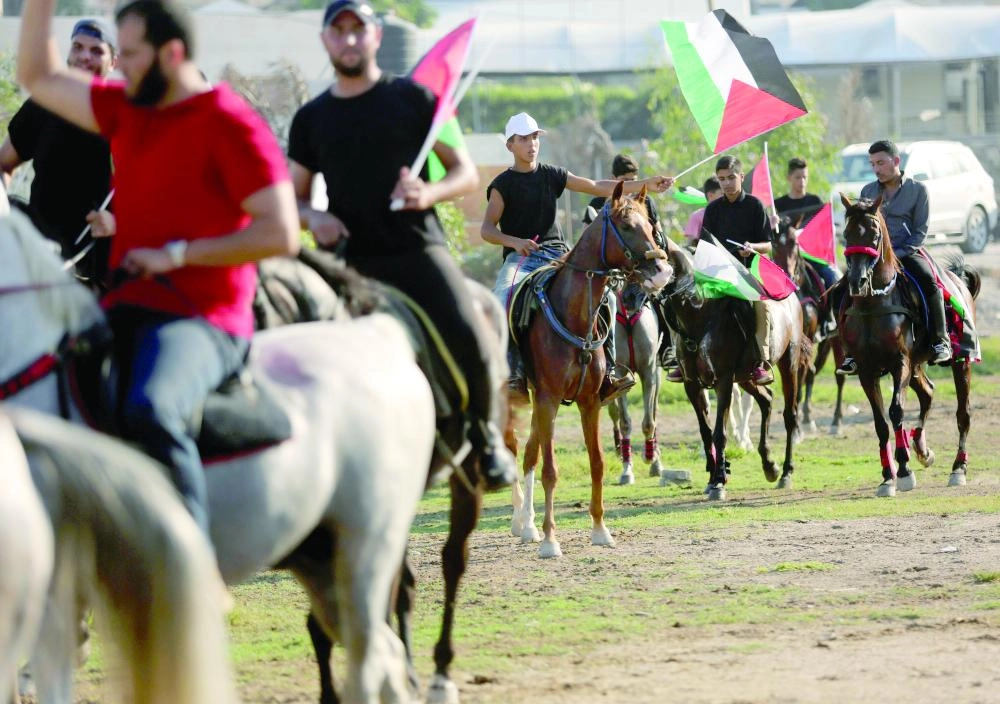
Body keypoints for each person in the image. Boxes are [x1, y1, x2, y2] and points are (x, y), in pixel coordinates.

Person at [16, 0, 301, 534]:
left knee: (150, 407)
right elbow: (36, 75)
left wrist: (179, 254)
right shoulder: (128, 108)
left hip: (204, 316)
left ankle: (191, 562)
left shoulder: (230, 122)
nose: (117, 67)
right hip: (122, 305)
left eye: (129, 55)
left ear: (171, 54)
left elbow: (280, 232)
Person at [287, 0, 515, 490]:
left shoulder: (412, 99)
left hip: (416, 250)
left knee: (471, 336)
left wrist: (427, 191)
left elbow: (465, 173)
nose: (349, 39)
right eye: (338, 30)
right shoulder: (311, 118)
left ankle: (486, 436)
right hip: (348, 262)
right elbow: (294, 197)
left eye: (358, 29)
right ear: (326, 40)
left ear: (374, 37)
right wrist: (314, 216)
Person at [481, 111, 673, 403]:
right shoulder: (501, 185)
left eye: (534, 137)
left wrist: (644, 184)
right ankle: (514, 372)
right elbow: (486, 229)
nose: (531, 144)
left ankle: (608, 373)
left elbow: (597, 187)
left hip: (558, 255)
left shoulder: (552, 174)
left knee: (607, 297)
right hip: (520, 260)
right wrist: (515, 242)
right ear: (510, 145)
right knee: (501, 298)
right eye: (523, 139)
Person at [1, 18, 117, 288]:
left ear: (114, 62)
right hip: (39, 258)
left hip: (103, 266)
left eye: (96, 51)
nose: (84, 57)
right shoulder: (45, 103)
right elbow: (3, 164)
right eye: (77, 47)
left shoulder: (125, 116)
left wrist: (117, 221)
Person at [837, 139, 951, 375]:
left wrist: (895, 256)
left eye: (880, 162)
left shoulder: (918, 190)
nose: (876, 169)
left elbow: (920, 232)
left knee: (930, 282)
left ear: (896, 161)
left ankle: (940, 340)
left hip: (908, 252)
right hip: (873, 257)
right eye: (872, 164)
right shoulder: (867, 191)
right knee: (843, 287)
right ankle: (850, 352)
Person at [701, 155, 774, 385]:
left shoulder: (754, 205)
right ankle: (687, 360)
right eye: (722, 179)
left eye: (731, 177)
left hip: (748, 271)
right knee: (689, 301)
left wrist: (752, 248)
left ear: (741, 177)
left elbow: (769, 245)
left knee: (761, 305)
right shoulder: (712, 210)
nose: (726, 183)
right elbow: (705, 244)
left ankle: (761, 362)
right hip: (719, 273)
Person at [582, 153, 663, 242]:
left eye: (633, 180)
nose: (629, 185)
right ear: (613, 178)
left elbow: (659, 236)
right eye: (625, 180)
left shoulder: (645, 201)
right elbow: (585, 241)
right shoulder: (597, 204)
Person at [682, 175, 722, 245]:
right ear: (710, 195)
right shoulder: (697, 216)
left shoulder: (731, 214)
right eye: (722, 194)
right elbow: (690, 244)